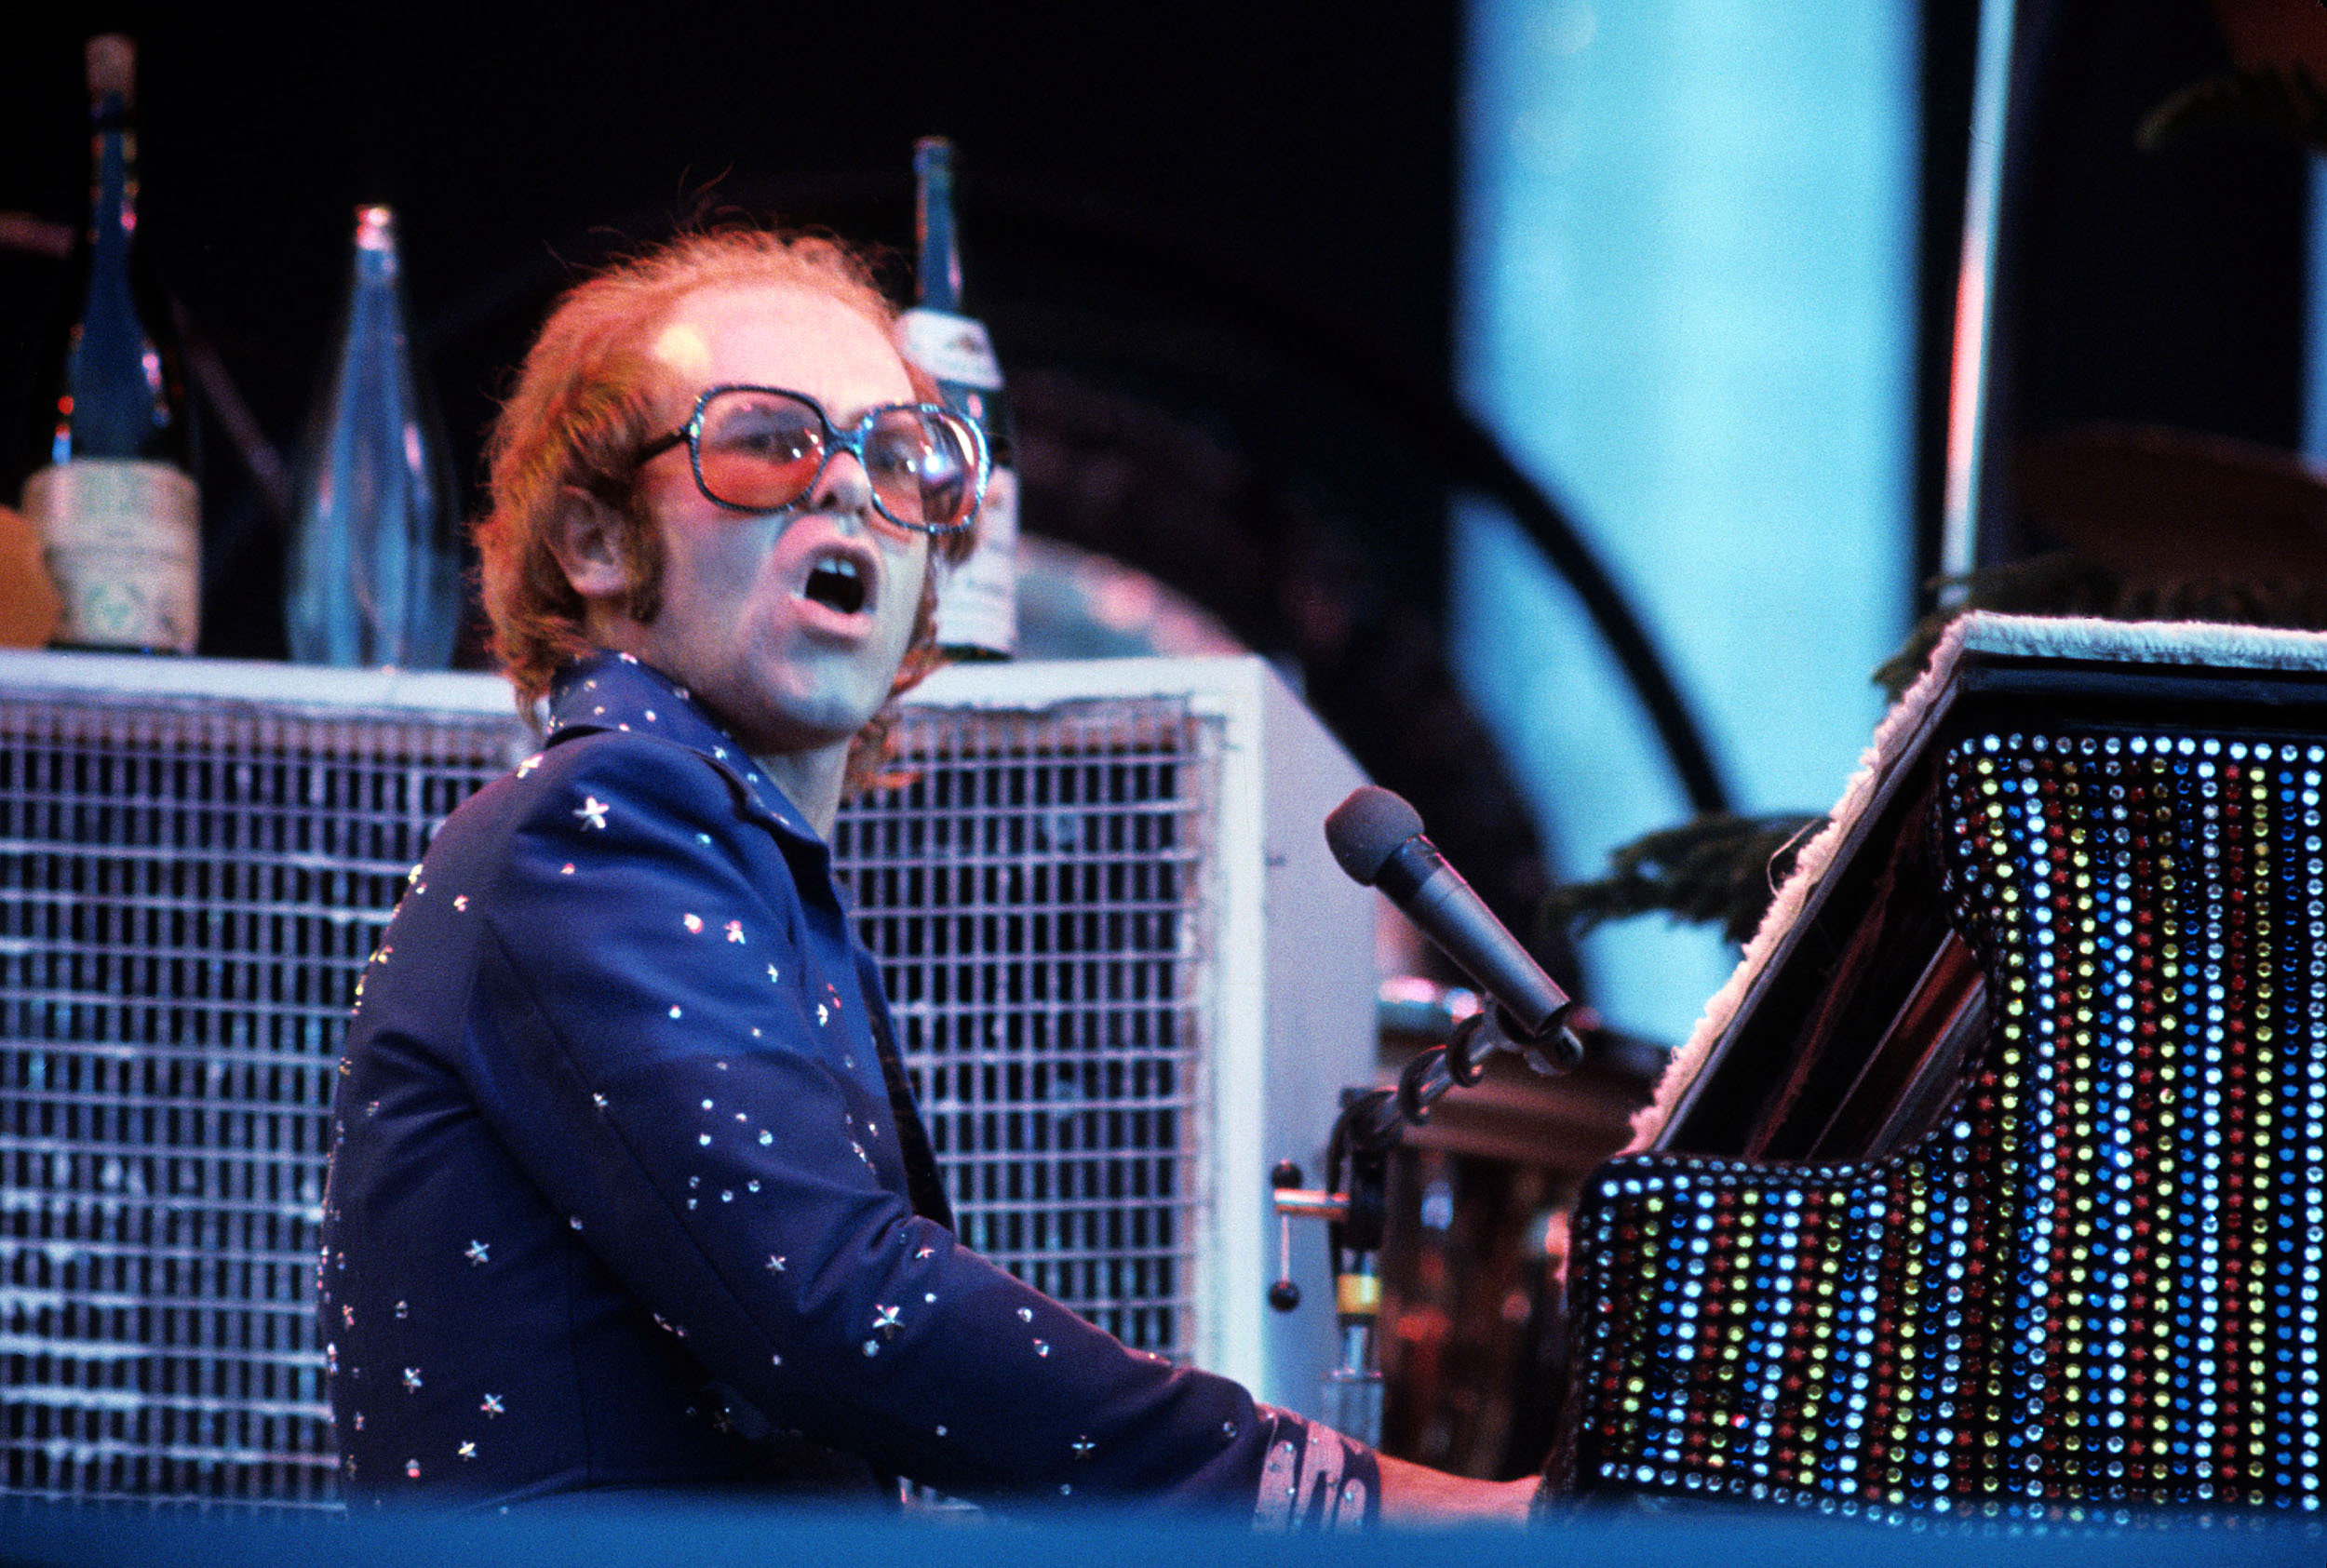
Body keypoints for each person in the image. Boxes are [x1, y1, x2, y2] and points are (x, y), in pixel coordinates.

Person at [317, 226, 1535, 1526]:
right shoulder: (609, 815)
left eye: (904, 458)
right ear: (596, 541)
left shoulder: (725, 854)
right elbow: (845, 1305)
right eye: (767, 439)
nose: (848, 487)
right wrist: (1361, 1502)